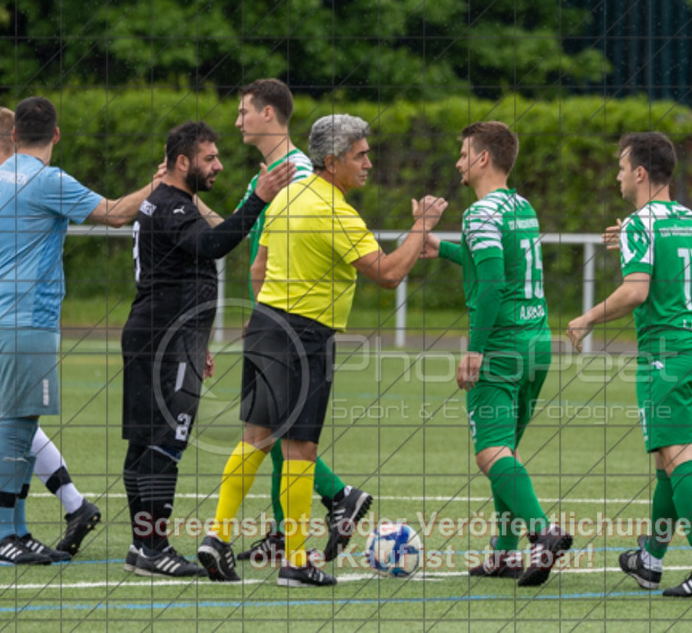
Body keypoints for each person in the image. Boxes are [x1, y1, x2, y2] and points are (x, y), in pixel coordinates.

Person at [198, 113, 447, 586]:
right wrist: (422, 225)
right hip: (305, 335)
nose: (369, 162)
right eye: (361, 155)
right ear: (332, 161)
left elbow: (259, 266)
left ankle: (216, 537)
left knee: (254, 439)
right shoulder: (335, 210)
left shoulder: (287, 193)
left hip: (265, 324)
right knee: (299, 450)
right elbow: (388, 273)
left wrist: (263, 314)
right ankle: (295, 561)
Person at [0, 96, 156, 565]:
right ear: (56, 134)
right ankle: (1, 538)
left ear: (14, 136)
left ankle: (16, 531)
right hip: (27, 318)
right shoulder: (47, 180)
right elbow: (117, 213)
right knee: (17, 428)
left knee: (16, 423)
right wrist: (155, 185)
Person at [119, 121, 294, 577]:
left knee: (144, 445)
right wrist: (259, 199)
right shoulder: (173, 206)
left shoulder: (168, 201)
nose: (218, 165)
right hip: (165, 342)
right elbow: (214, 244)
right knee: (163, 445)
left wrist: (197, 340)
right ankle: (154, 548)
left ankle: (144, 546)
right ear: (182, 162)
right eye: (209, 158)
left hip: (158, 335)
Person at [567, 132, 692, 597]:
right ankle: (651, 559)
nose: (618, 175)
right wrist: (634, 238)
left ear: (640, 172)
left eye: (621, 166)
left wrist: (587, 317)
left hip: (669, 357)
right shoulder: (691, 220)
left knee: (680, 460)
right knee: (668, 462)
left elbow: (637, 291)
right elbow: (670, 268)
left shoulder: (642, 223)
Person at [0, 107, 100, 555]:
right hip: (9, 323)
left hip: (13, 321)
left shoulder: (12, 186)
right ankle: (20, 524)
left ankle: (32, 520)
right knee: (8, 420)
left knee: (11, 421)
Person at [422, 121, 571, 586]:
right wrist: (440, 248)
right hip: (536, 342)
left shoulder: (480, 213)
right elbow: (490, 263)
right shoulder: (521, 207)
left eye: (464, 154)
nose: (458, 162)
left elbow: (491, 283)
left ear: (484, 158)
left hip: (502, 345)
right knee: (506, 451)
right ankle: (504, 553)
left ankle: (542, 533)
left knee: (490, 452)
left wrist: (475, 349)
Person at [232, 79, 371, 566]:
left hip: (293, 319)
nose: (238, 121)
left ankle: (308, 517)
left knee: (278, 435)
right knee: (273, 433)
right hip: (273, 314)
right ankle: (325, 508)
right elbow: (242, 241)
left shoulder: (295, 175)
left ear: (269, 113)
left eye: (244, 110)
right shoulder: (266, 176)